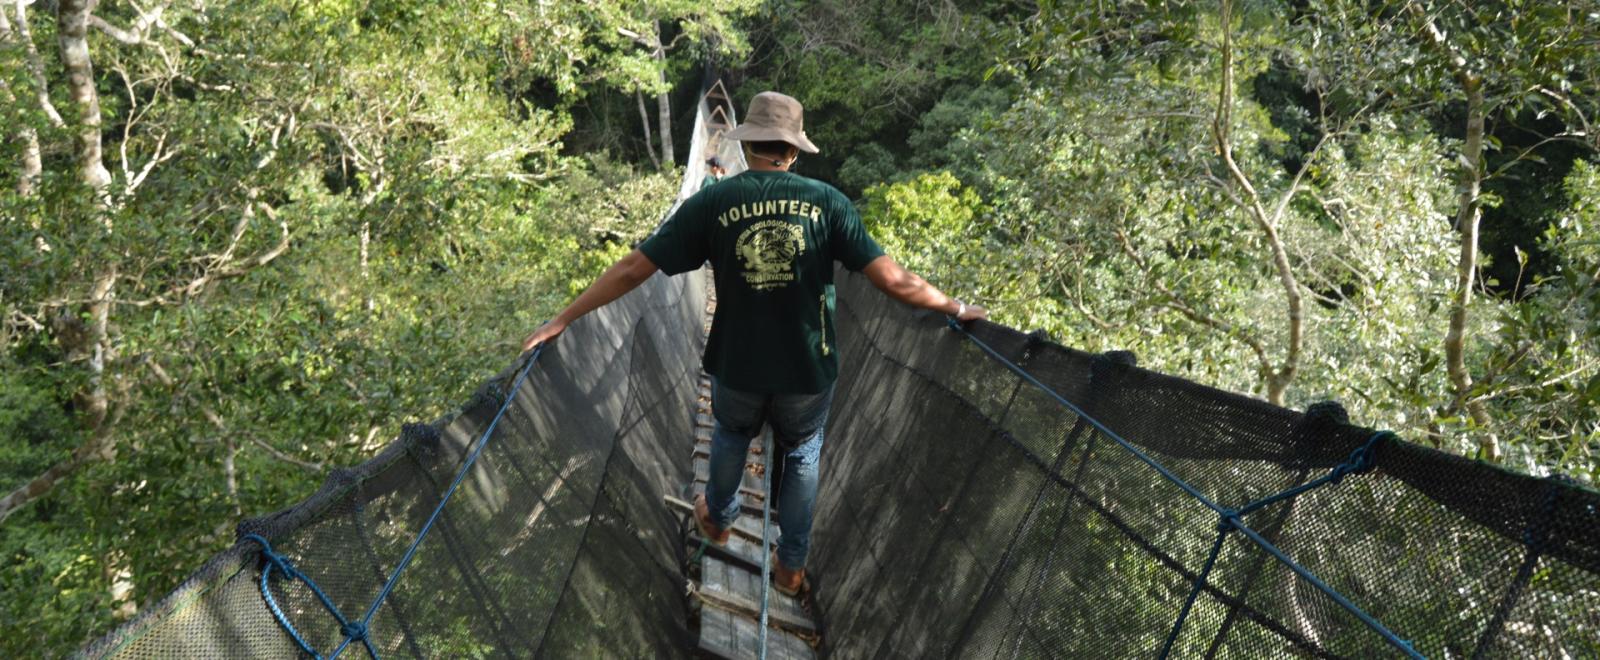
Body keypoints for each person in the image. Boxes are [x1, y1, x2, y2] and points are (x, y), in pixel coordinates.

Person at [521, 91, 987, 596]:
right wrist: (957, 308)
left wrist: (563, 318)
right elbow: (893, 280)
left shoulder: (714, 200)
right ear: (792, 151)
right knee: (803, 455)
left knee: (730, 435)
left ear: (748, 145)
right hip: (807, 369)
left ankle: (718, 520)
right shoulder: (827, 202)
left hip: (738, 362)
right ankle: (790, 565)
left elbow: (636, 267)